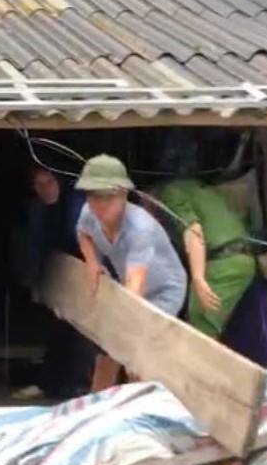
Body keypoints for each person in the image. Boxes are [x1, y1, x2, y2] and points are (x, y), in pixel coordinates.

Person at [74, 154, 188, 392]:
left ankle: (140, 405)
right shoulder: (88, 213)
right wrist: (92, 263)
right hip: (129, 287)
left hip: (163, 291)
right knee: (106, 352)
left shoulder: (139, 229)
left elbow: (134, 288)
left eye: (108, 197)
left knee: (135, 351)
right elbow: (83, 233)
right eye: (94, 196)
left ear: (124, 195)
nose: (100, 204)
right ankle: (98, 403)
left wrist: (119, 322)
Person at [12, 166, 92, 401]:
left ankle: (77, 387)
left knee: (79, 332)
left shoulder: (76, 205)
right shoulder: (37, 209)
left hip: (81, 272)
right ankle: (50, 384)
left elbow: (86, 239)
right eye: (38, 185)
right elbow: (35, 246)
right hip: (54, 273)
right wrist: (34, 281)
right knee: (53, 329)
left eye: (49, 182)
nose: (44, 189)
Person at [152, 178, 257, 340]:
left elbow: (194, 232)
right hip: (240, 258)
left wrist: (198, 279)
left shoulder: (171, 193)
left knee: (201, 332)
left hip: (224, 263)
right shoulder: (200, 189)